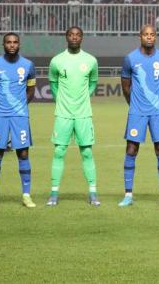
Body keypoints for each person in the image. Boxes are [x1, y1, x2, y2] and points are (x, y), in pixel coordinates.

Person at [118, 25, 159, 207]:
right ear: (140, 36)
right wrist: (134, 103)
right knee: (132, 150)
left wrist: (155, 98)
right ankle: (128, 195)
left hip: (158, 112)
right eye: (146, 35)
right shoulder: (130, 58)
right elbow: (125, 86)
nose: (149, 38)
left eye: (152, 35)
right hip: (137, 113)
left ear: (155, 37)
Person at [46, 27, 100, 206]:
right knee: (59, 151)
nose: (74, 37)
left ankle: (93, 193)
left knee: (86, 152)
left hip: (83, 114)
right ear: (66, 37)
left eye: (77, 35)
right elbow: (53, 84)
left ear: (82, 38)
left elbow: (93, 82)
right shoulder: (57, 61)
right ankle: (54, 193)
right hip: (63, 114)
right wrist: (62, 101)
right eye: (71, 35)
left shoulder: (90, 60)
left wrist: (83, 99)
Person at [0, 33, 36, 208]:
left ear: (19, 44)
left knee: (23, 153)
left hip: (20, 116)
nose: (12, 45)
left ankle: (26, 195)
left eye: (15, 42)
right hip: (0, 116)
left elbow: (31, 90)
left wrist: (20, 105)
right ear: (3, 44)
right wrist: (2, 100)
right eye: (8, 42)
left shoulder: (28, 65)